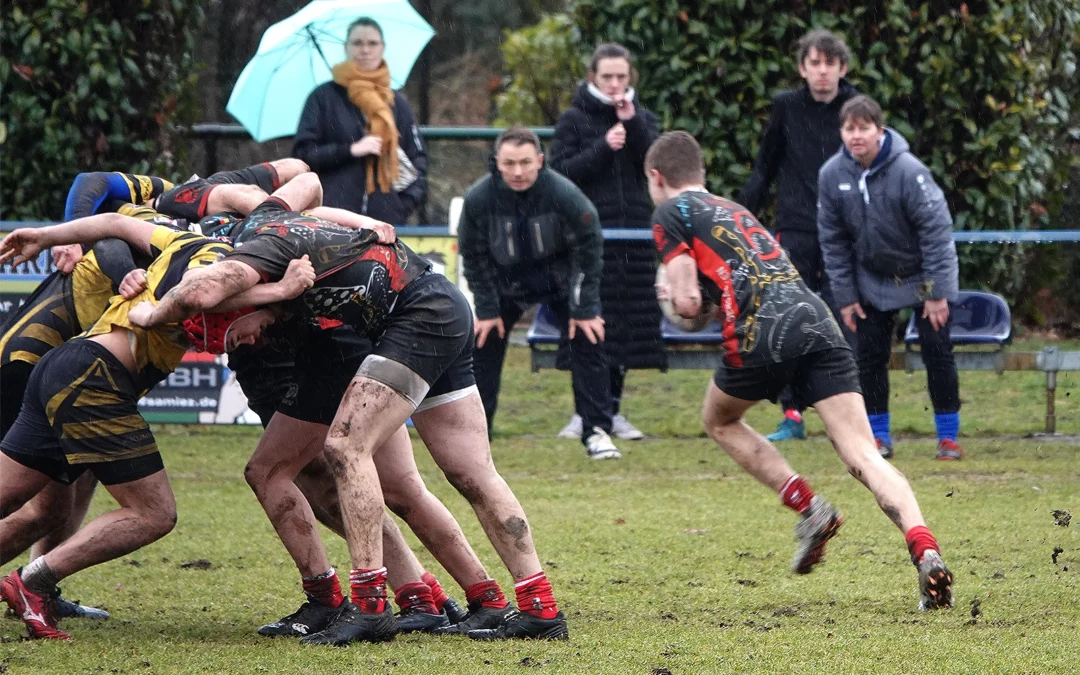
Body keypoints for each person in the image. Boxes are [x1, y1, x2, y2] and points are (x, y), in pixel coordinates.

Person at [127, 176, 570, 643]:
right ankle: (538, 607)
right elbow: (306, 192)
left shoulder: (256, 248)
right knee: (469, 472)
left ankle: (370, 605)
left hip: (417, 316)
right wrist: (362, 224)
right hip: (433, 305)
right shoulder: (271, 221)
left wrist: (152, 313)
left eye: (230, 330)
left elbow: (202, 291)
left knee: (346, 446)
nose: (242, 341)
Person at [646, 130, 953, 610]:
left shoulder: (670, 214)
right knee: (864, 455)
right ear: (701, 174)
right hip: (815, 318)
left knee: (719, 420)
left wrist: (675, 299)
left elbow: (688, 303)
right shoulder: (735, 209)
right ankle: (925, 548)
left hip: (760, 328)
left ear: (656, 176)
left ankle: (810, 508)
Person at [0, 213, 309, 640]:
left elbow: (114, 222)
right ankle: (32, 583)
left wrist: (45, 234)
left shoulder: (183, 242)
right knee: (153, 513)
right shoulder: (221, 262)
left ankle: (31, 582)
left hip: (66, 366)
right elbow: (198, 294)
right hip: (95, 378)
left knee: (42, 510)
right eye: (266, 325)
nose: (257, 339)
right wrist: (282, 290)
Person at [459, 126, 619, 459]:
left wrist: (583, 306)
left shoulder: (567, 196)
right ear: (497, 163)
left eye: (525, 163)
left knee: (588, 338)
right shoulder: (478, 199)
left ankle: (597, 432)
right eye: (510, 163)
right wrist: (487, 308)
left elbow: (590, 249)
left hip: (560, 279)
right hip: (505, 283)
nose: (518, 172)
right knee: (482, 342)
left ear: (540, 161)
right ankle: (476, 438)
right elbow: (472, 256)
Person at [818, 95, 963, 461]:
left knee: (937, 351)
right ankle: (878, 437)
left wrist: (935, 292)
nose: (857, 136)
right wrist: (846, 297)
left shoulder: (910, 171)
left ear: (879, 132)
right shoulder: (831, 175)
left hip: (920, 278)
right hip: (870, 280)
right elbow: (833, 242)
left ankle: (948, 438)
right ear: (842, 132)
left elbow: (936, 232)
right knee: (868, 356)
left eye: (864, 127)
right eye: (849, 128)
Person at [738, 29, 859, 443]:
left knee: (849, 319)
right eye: (814, 63)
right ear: (802, 68)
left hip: (847, 233)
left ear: (842, 68)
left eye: (830, 64)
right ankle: (792, 413)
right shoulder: (786, 107)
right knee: (790, 320)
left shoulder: (856, 108)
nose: (823, 72)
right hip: (796, 229)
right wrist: (739, 215)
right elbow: (764, 168)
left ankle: (851, 419)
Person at [550, 42, 663, 442]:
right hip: (586, 236)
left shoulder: (642, 118)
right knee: (588, 323)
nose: (615, 85)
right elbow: (560, 173)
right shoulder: (574, 120)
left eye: (621, 77)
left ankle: (613, 411)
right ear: (592, 78)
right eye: (607, 77)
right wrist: (602, 147)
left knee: (625, 328)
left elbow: (655, 168)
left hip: (633, 236)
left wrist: (633, 128)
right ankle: (585, 413)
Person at [293, 17, 427, 223]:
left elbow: (418, 159)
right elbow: (303, 155)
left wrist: (401, 205)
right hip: (332, 217)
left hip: (385, 221)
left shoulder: (396, 102)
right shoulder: (323, 98)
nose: (365, 50)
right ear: (346, 48)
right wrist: (350, 150)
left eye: (372, 43)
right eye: (357, 43)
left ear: (383, 48)